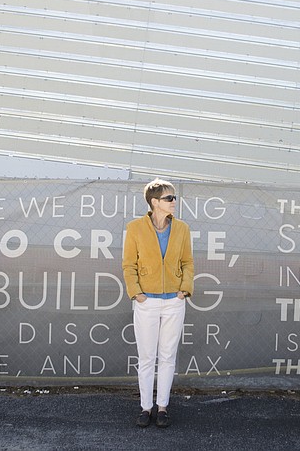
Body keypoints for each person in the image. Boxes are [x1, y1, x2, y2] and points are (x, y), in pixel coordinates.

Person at [122, 179, 194, 428]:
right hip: (146, 302)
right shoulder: (135, 228)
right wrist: (137, 293)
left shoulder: (182, 229)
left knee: (167, 356)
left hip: (174, 301)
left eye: (174, 198)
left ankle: (162, 407)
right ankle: (145, 408)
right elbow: (129, 264)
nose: (174, 202)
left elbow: (187, 262)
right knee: (146, 357)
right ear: (155, 202)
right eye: (169, 198)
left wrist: (184, 290)